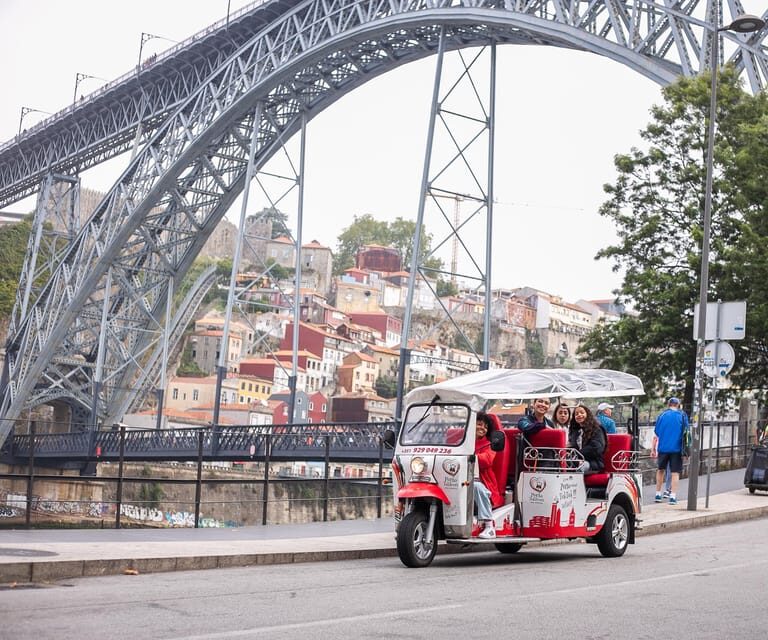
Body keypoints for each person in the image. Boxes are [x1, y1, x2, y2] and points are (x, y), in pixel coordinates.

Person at [651, 397, 688, 505]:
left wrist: (653, 448)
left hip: (663, 448)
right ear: (678, 404)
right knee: (675, 473)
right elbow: (686, 432)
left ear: (668, 404)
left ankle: (658, 494)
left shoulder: (662, 415)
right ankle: (672, 496)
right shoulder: (682, 415)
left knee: (660, 470)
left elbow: (657, 432)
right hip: (676, 448)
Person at [474, 412, 500, 539]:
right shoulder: (460, 442)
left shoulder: (489, 445)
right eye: (479, 424)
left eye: (485, 427)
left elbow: (487, 460)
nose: (482, 428)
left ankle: (489, 526)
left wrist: (470, 457)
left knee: (476, 486)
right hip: (459, 481)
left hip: (484, 485)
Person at [568, 403, 606, 473]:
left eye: (582, 412)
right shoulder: (575, 431)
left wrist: (578, 455)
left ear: (587, 414)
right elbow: (572, 447)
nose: (579, 415)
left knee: (580, 467)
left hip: (593, 463)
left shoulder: (597, 429)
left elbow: (596, 447)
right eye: (576, 414)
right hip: (576, 461)